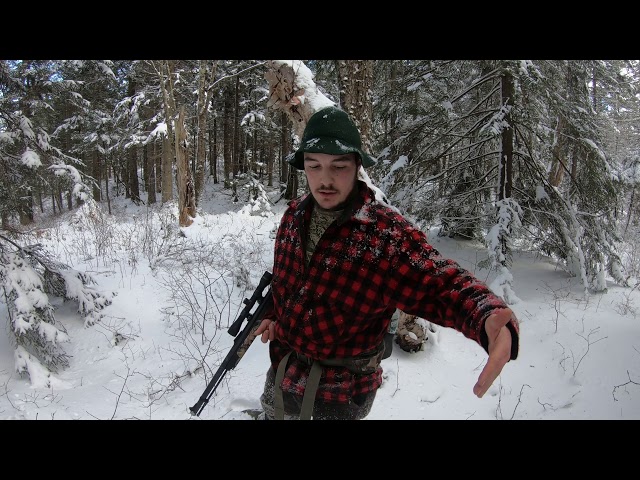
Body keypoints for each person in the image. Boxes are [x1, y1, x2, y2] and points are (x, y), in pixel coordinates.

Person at [253, 105, 519, 420]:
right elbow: (288, 286)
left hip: (339, 393)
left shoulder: (384, 235)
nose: (324, 179)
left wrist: (485, 315)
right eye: (314, 166)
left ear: (356, 166)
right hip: (284, 372)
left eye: (338, 166)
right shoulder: (294, 216)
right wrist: (273, 314)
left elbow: (440, 282)